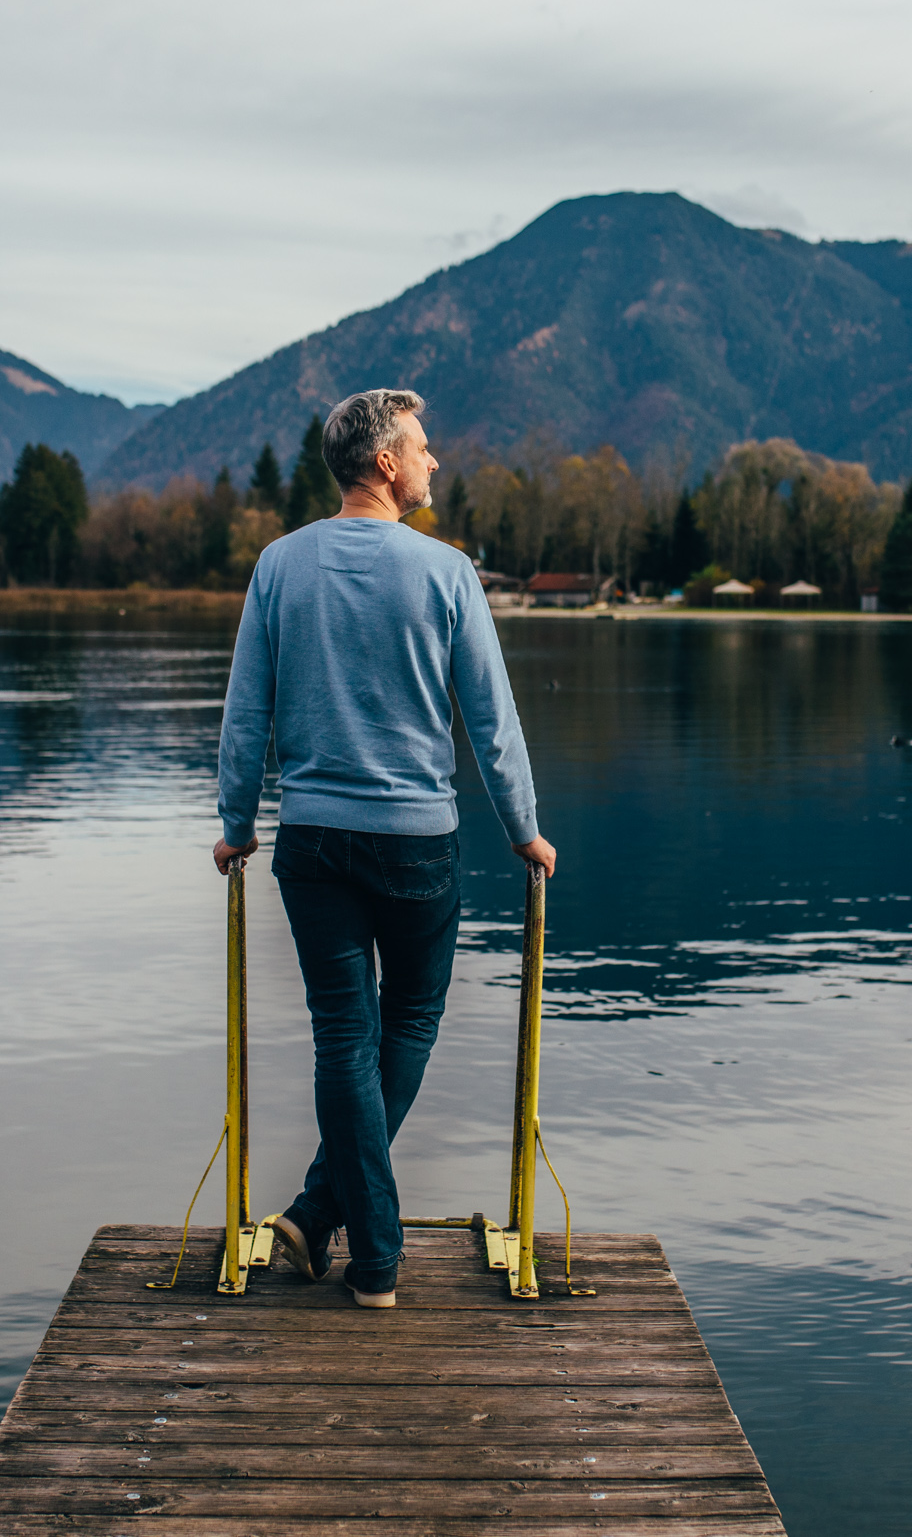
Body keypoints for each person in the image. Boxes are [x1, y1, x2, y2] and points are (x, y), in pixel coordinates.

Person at [213, 387, 555, 1308]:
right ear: (385, 463)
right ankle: (372, 1250)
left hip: (314, 841)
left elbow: (246, 713)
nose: (435, 460)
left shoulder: (279, 567)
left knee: (342, 1034)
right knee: (405, 1022)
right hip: (416, 848)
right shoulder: (445, 573)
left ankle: (333, 1224)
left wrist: (237, 822)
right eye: (424, 446)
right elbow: (493, 721)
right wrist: (523, 828)